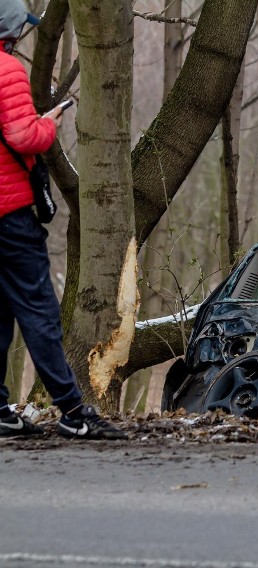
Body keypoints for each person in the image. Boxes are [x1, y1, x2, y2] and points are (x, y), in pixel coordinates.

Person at [0, 1, 125, 439]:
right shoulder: (7, 70)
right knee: (39, 312)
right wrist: (48, 124)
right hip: (9, 216)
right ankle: (74, 412)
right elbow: (21, 135)